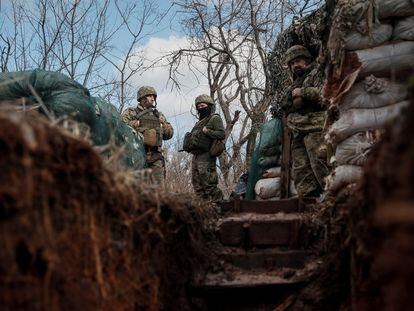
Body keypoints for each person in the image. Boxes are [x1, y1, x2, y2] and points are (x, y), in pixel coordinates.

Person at [281, 45, 329, 197]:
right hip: (298, 133)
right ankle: (309, 205)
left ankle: (334, 199)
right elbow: (284, 106)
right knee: (301, 172)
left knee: (321, 164)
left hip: (316, 128)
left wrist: (304, 92)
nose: (296, 65)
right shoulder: (294, 83)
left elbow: (327, 94)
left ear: (307, 60)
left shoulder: (317, 73)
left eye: (299, 61)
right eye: (293, 63)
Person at [122, 86, 173, 184]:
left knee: (158, 189)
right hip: (135, 154)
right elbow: (121, 127)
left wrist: (165, 127)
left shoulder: (158, 115)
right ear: (142, 98)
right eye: (150, 96)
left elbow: (169, 135)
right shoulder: (131, 112)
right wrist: (136, 124)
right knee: (136, 187)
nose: (153, 99)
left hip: (155, 156)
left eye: (153, 96)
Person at [183, 94, 225, 202]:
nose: (201, 108)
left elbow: (221, 134)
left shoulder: (214, 118)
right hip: (196, 156)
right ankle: (204, 208)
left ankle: (220, 204)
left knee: (208, 184)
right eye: (199, 107)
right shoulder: (199, 122)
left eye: (203, 105)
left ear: (209, 106)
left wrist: (208, 131)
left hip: (207, 155)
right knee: (197, 184)